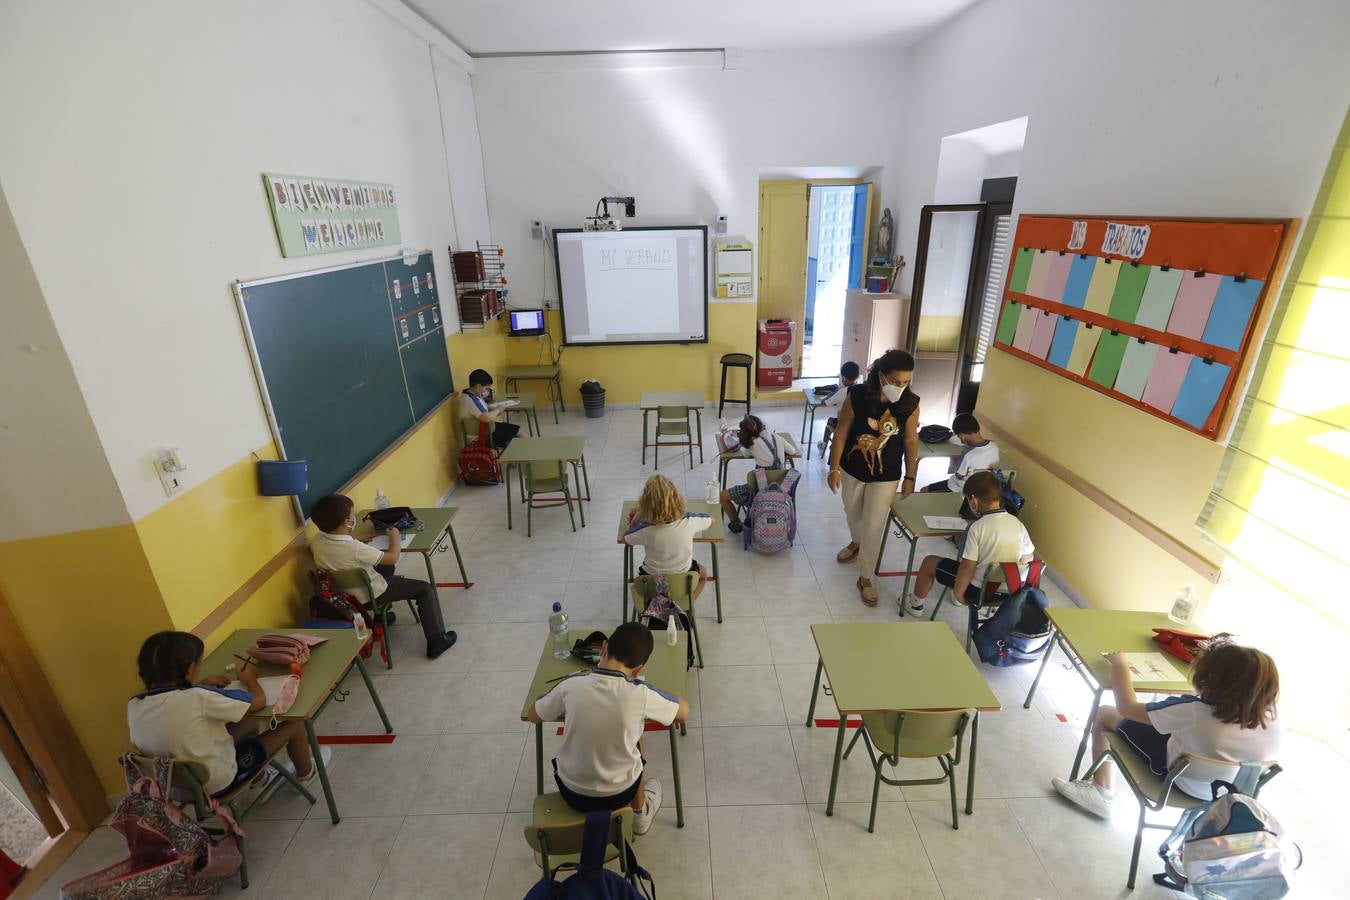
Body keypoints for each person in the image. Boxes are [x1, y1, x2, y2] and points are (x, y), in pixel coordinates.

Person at [1052, 636, 1282, 818]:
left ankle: (1101, 792)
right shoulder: (1276, 716)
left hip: (1180, 779)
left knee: (1104, 713)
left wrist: (1120, 665)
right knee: (1171, 726)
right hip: (1230, 791)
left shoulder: (1193, 710)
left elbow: (1126, 707)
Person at [527, 622, 689, 835]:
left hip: (572, 793)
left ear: (603, 648)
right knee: (634, 734)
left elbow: (533, 715)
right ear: (639, 669)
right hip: (620, 796)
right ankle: (639, 814)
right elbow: (683, 711)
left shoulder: (571, 686)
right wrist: (654, 691)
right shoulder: (641, 694)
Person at [127, 631, 330, 798]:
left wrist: (198, 686)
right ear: (190, 668)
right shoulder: (199, 697)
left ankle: (260, 778)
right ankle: (306, 772)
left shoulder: (134, 704)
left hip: (175, 787)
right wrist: (250, 679)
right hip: (215, 783)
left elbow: (177, 707)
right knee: (293, 725)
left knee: (247, 725)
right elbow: (257, 701)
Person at [308, 494, 457, 659]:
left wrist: (354, 539)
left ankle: (381, 616)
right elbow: (392, 556)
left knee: (385, 568)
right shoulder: (355, 548)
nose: (353, 516)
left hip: (342, 597)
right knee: (424, 589)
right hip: (369, 595)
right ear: (346, 522)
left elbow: (337, 547)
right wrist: (395, 537)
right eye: (352, 514)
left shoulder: (317, 541)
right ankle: (437, 641)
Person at [827, 349, 920, 606]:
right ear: (882, 376)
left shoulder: (910, 403)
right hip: (852, 468)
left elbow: (911, 440)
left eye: (906, 382)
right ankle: (855, 542)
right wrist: (834, 468)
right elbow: (842, 433)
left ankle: (865, 577)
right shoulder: (856, 395)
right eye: (896, 381)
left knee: (873, 526)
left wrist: (910, 476)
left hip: (886, 474)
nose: (901, 387)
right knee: (852, 512)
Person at [902, 470, 1033, 614]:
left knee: (929, 562)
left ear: (974, 500)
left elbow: (967, 568)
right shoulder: (1017, 523)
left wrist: (959, 595)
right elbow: (1027, 559)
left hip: (979, 592)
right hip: (1009, 591)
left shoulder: (977, 527)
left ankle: (915, 605)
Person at [624, 474, 710, 600]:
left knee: (642, 583)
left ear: (645, 505)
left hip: (650, 580)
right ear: (677, 500)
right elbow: (710, 520)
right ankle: (685, 606)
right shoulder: (690, 521)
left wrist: (638, 514)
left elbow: (627, 537)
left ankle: (656, 605)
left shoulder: (645, 530)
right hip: (684, 577)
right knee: (703, 573)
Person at [718, 415, 788, 534]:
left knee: (722, 496)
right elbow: (792, 451)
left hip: (758, 492)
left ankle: (736, 524)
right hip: (779, 491)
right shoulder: (777, 437)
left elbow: (743, 452)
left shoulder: (753, 444)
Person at [922, 412, 1000, 494]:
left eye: (958, 436)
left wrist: (957, 462)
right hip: (984, 488)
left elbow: (958, 475)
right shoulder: (995, 446)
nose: (961, 440)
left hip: (961, 488)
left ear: (962, 435)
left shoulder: (969, 454)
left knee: (924, 490)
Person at [459, 368, 520, 449]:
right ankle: (520, 458)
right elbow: (486, 417)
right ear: (478, 386)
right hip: (482, 435)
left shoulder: (471, 395)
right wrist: (497, 410)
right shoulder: (471, 400)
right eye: (486, 388)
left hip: (486, 429)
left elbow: (483, 408)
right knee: (519, 437)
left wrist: (495, 409)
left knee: (518, 431)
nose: (486, 391)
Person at [817, 361, 862, 457]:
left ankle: (823, 445)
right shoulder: (862, 389)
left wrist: (834, 392)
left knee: (830, 421)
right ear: (857, 376)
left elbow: (824, 402)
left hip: (843, 425)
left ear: (844, 377)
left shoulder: (842, 392)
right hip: (859, 426)